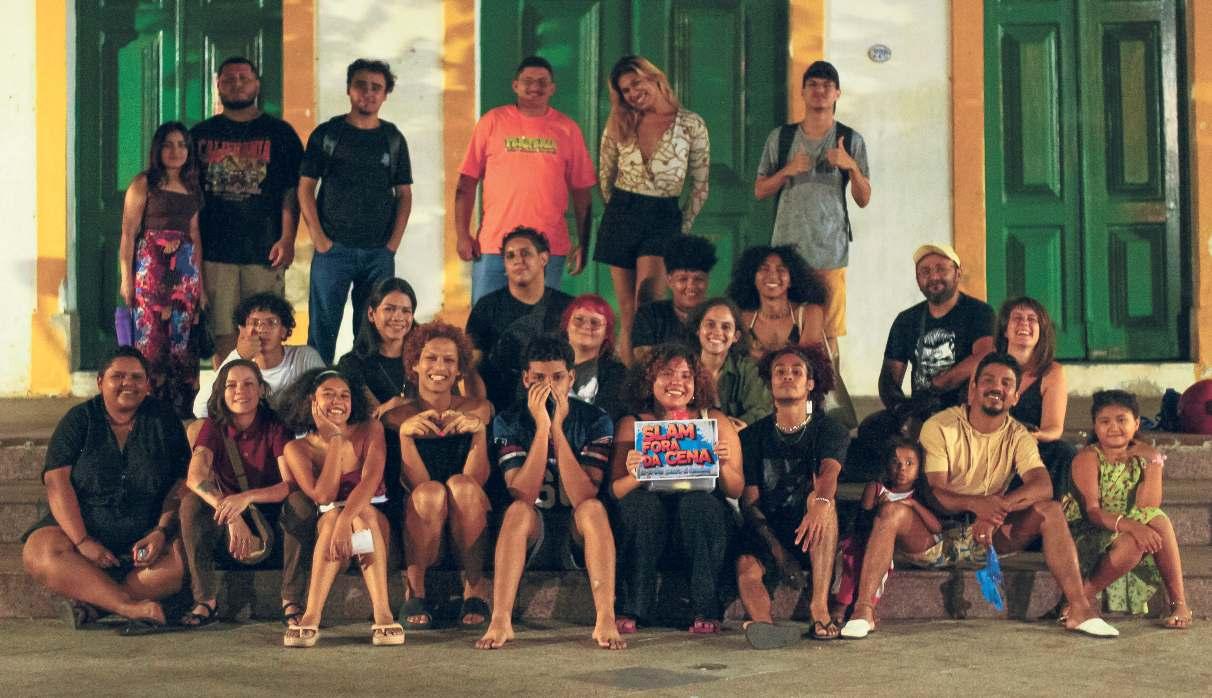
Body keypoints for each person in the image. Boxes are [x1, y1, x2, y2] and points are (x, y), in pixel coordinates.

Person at [839, 353, 1119, 639]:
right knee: (891, 513)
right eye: (988, 380)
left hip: (988, 535)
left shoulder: (1019, 435)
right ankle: (863, 610)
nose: (997, 387)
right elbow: (936, 492)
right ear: (972, 389)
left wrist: (996, 510)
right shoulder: (940, 426)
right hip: (934, 534)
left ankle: (1079, 609)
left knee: (1051, 510)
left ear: (1015, 397)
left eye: (1006, 383)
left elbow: (1042, 485)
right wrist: (978, 505)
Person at [22, 347, 188, 634]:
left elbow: (181, 482)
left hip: (146, 539)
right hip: (83, 533)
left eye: (137, 377)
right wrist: (82, 540)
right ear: (100, 382)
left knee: (183, 562)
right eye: (118, 376)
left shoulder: (164, 420)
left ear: (147, 384)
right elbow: (57, 482)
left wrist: (161, 531)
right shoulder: (79, 421)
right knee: (38, 551)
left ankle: (95, 605)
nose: (128, 383)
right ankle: (130, 607)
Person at [476, 336, 625, 650]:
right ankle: (500, 619)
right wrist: (542, 429)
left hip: (576, 531)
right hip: (534, 531)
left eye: (557, 377)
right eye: (539, 378)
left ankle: (605, 617)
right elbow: (524, 493)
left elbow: (584, 494)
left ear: (571, 377)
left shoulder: (595, 420)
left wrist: (558, 428)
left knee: (593, 509)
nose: (549, 386)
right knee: (517, 510)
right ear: (526, 379)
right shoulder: (509, 421)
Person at [609, 343, 743, 634]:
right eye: (667, 374)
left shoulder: (713, 420)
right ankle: (633, 607)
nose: (677, 382)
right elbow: (616, 491)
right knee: (641, 506)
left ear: (696, 384)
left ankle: (706, 608)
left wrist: (722, 464)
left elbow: (735, 489)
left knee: (697, 504)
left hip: (701, 525)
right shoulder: (632, 424)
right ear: (649, 380)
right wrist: (637, 474)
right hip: (650, 526)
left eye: (685, 376)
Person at [179, 360, 313, 628]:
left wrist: (247, 498)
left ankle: (291, 599)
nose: (240, 391)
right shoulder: (213, 427)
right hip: (228, 515)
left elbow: (289, 483)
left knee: (301, 503)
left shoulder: (275, 426)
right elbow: (195, 477)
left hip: (271, 512)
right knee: (191, 504)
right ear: (221, 392)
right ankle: (205, 599)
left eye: (249, 384)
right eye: (231, 385)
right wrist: (231, 514)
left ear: (261, 390)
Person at [754, 60, 871, 360]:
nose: (820, 91)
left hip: (830, 252)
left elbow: (863, 198)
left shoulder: (850, 140)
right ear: (802, 92)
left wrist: (851, 166)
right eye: (813, 85)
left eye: (827, 86)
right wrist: (788, 170)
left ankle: (831, 391)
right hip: (786, 254)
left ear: (837, 94)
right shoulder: (781, 138)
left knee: (828, 335)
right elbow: (760, 190)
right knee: (784, 329)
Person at [596, 55, 710, 361]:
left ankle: (653, 378)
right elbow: (606, 175)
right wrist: (620, 210)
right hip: (622, 212)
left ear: (654, 78)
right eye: (625, 90)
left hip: (664, 216)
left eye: (636, 83)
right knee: (627, 312)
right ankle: (628, 380)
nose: (633, 93)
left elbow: (701, 184)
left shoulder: (691, 124)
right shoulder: (619, 121)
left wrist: (681, 226)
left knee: (649, 304)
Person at [455, 55, 596, 303]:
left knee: (540, 323)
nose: (535, 87)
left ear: (552, 88)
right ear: (515, 86)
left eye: (542, 82)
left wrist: (584, 243)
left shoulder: (567, 129)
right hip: (494, 246)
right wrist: (462, 234)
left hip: (547, 249)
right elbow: (466, 183)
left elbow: (582, 193)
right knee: (485, 321)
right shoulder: (492, 122)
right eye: (528, 81)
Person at [191, 56, 304, 364]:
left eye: (243, 78)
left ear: (257, 84)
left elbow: (291, 192)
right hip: (215, 252)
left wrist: (288, 238)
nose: (236, 84)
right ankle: (226, 388)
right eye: (229, 79)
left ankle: (262, 389)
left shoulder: (280, 133)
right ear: (218, 86)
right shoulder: (199, 135)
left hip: (265, 251)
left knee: (265, 332)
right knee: (223, 332)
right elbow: (188, 195)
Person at [279, 368, 404, 647]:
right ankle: (311, 615)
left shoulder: (370, 429)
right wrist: (335, 440)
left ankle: (382, 613)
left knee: (363, 514)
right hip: (333, 541)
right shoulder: (296, 449)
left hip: (373, 532)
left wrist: (345, 520)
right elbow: (323, 496)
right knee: (332, 516)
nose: (338, 402)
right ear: (312, 401)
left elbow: (370, 481)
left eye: (344, 395)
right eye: (328, 394)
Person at [848, 243, 995, 480]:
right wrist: (902, 411)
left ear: (958, 272)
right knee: (871, 429)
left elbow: (984, 356)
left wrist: (942, 383)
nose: (933, 277)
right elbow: (889, 377)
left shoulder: (979, 312)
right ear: (917, 279)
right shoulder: (907, 320)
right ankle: (895, 487)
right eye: (925, 272)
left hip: (963, 409)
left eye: (941, 269)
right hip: (920, 408)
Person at [300, 58, 413, 364]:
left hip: (379, 252)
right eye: (361, 85)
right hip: (333, 250)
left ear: (385, 94)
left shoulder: (393, 139)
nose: (368, 92)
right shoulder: (328, 134)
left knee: (373, 333)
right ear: (349, 89)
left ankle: (363, 386)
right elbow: (305, 188)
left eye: (376, 87)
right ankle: (317, 386)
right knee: (322, 330)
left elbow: (404, 194)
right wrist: (319, 239)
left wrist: (392, 245)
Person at [735, 346, 847, 648]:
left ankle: (819, 608)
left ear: (810, 383)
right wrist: (779, 554)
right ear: (770, 382)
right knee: (746, 566)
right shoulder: (751, 437)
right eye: (780, 372)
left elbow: (829, 472)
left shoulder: (828, 429)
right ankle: (764, 625)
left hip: (811, 527)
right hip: (769, 529)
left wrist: (820, 504)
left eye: (796, 372)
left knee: (822, 503)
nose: (787, 376)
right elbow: (750, 502)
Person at [387, 322, 493, 631]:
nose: (439, 367)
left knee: (462, 486)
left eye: (449, 360)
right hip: (423, 526)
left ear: (459, 370)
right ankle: (415, 589)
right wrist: (406, 437)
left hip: (467, 524)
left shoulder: (477, 409)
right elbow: (416, 485)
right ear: (414, 364)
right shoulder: (397, 417)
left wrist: (478, 434)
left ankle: (475, 588)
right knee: (430, 492)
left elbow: (476, 481)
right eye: (431, 358)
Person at [1064, 390, 1191, 628]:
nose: (1114, 427)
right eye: (1105, 421)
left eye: (1121, 420)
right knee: (1136, 539)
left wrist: (1154, 462)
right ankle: (1081, 598)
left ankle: (1179, 603)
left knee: (1158, 520)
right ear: (1095, 426)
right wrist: (1131, 526)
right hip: (1089, 530)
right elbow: (1092, 512)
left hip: (1124, 529)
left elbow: (1148, 507)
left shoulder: (1142, 456)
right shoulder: (1088, 457)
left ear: (1136, 423)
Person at [117, 121, 205, 418]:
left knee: (182, 342)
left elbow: (195, 235)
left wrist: (200, 286)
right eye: (168, 144)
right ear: (158, 149)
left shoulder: (192, 187)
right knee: (150, 342)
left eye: (181, 145)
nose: (175, 151)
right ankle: (148, 411)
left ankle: (181, 411)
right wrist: (126, 279)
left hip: (185, 277)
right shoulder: (144, 184)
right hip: (151, 274)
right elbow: (128, 234)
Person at [831, 438, 940, 628]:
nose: (902, 468)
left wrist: (913, 505)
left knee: (879, 557)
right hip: (874, 542)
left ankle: (868, 607)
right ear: (887, 465)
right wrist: (878, 510)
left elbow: (936, 528)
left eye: (909, 463)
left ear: (919, 469)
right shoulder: (876, 489)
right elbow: (862, 524)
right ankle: (842, 605)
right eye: (895, 462)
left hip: (907, 547)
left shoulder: (919, 495)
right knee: (854, 552)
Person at [465, 226, 573, 411]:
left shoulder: (568, 307)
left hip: (557, 409)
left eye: (526, 253)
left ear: (543, 258)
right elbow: (470, 367)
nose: (518, 260)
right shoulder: (486, 307)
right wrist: (480, 408)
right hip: (500, 411)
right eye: (510, 256)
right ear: (505, 266)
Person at [338, 277, 418, 509]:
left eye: (406, 311)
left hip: (423, 444)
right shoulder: (352, 363)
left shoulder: (426, 356)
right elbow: (375, 415)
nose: (398, 317)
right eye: (390, 309)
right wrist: (399, 405)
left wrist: (394, 404)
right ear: (372, 314)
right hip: (379, 452)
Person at [191, 292, 324, 420]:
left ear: (283, 331)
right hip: (253, 434)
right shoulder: (239, 365)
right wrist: (238, 356)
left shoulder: (304, 357)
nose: (262, 329)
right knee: (197, 428)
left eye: (271, 322)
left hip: (295, 433)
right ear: (242, 330)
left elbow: (326, 398)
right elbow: (200, 409)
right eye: (254, 323)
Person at [996, 297, 1076, 498]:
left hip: (1032, 445)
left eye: (1032, 320)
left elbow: (1053, 429)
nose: (1024, 324)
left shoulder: (1052, 372)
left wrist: (1030, 436)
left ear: (1041, 331)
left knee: (1064, 452)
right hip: (993, 444)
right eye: (1017, 318)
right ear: (1005, 329)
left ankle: (1051, 509)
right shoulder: (990, 366)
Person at [726, 245, 827, 362]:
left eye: (781, 269)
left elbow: (803, 361)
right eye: (764, 269)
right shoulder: (742, 318)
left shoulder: (809, 313)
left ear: (791, 279)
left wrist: (754, 353)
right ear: (752, 278)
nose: (773, 276)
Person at [686, 297, 772, 430]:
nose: (717, 332)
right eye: (710, 324)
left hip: (735, 437)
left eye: (726, 327)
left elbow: (762, 409)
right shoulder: (682, 366)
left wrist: (743, 424)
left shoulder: (746, 369)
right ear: (698, 329)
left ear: (736, 336)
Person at [630, 235, 717, 363]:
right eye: (683, 279)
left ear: (707, 280)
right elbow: (645, 362)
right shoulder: (650, 314)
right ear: (669, 280)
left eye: (698, 279)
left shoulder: (719, 316)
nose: (691, 286)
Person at [561, 294, 627, 422]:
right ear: (566, 325)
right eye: (579, 319)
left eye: (595, 322)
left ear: (606, 333)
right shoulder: (544, 363)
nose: (586, 326)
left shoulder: (618, 373)